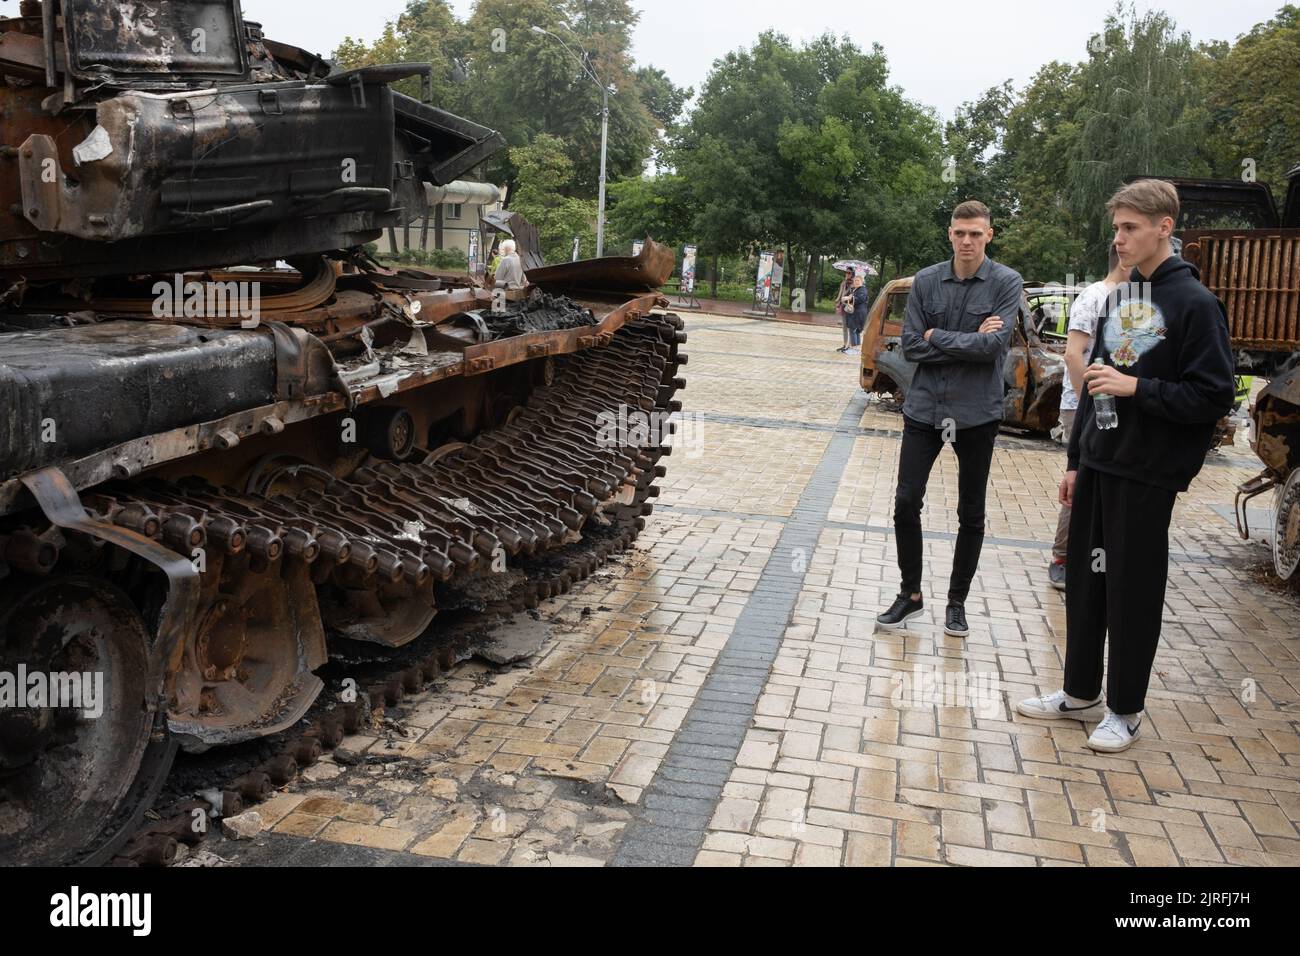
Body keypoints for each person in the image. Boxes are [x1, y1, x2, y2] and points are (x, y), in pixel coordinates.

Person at [1017, 179, 1235, 753]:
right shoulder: (1117, 299)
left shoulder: (1196, 304)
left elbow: (1213, 398)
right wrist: (1075, 459)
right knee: (1086, 586)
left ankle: (1125, 708)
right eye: (1116, 228)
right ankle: (1079, 691)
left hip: (1147, 472)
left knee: (1131, 591)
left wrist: (1138, 387)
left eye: (1129, 227)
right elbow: (1093, 387)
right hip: (1098, 463)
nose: (1118, 239)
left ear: (1165, 227)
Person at [876, 200, 1021, 638]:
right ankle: (910, 595)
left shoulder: (1005, 283)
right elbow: (911, 346)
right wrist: (962, 340)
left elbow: (992, 348)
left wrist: (936, 336)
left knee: (970, 511)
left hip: (976, 413)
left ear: (989, 235)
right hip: (924, 409)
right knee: (906, 501)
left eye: (975, 233)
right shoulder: (925, 280)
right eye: (960, 232)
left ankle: (957, 603)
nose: (967, 241)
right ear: (950, 233)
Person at [1047, 243, 1128, 591]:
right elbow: (1073, 354)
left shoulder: (1135, 300)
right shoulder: (1094, 297)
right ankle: (1062, 557)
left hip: (1113, 404)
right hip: (1083, 403)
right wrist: (1089, 405)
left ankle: (1096, 557)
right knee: (1079, 480)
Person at [845, 273, 869, 353]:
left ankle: (854, 349)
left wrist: (850, 298)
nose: (856, 282)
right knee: (857, 331)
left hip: (858, 313)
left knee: (853, 330)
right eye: (855, 280)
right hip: (857, 313)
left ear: (862, 281)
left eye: (858, 280)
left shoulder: (862, 289)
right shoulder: (856, 289)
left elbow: (860, 299)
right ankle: (856, 349)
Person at [835, 268, 855, 353]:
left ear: (852, 274)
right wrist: (837, 301)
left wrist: (851, 288)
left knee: (849, 327)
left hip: (850, 308)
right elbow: (840, 293)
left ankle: (849, 346)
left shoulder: (854, 284)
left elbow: (853, 296)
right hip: (843, 307)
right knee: (844, 327)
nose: (847, 274)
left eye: (849, 273)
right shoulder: (843, 283)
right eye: (846, 272)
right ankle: (844, 344)